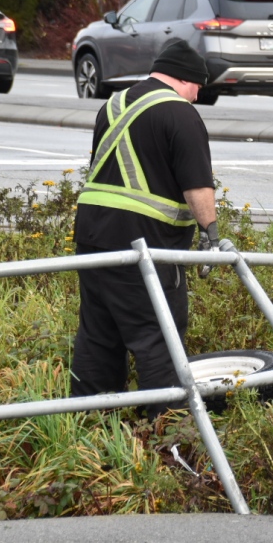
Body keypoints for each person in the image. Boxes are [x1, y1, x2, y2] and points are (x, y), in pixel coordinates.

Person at [71, 40, 219, 419]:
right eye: (198, 86)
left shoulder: (113, 106)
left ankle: (90, 423)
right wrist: (211, 232)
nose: (198, 94)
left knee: (97, 334)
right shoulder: (180, 113)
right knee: (158, 334)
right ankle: (165, 432)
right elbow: (198, 186)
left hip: (92, 236)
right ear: (185, 79)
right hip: (145, 242)